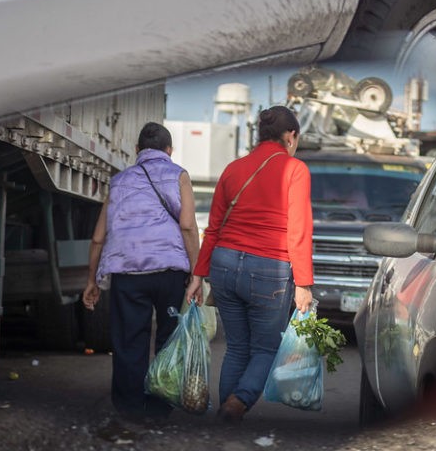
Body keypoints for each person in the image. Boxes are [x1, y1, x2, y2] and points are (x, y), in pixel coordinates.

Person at [185, 105, 314, 423]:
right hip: (268, 269)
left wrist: (197, 276)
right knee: (266, 349)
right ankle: (236, 404)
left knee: (237, 348)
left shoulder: (233, 168)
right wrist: (303, 283)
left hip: (225, 265)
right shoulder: (295, 169)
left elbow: (213, 228)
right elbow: (298, 230)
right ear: (291, 136)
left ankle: (228, 416)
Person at [83, 122, 200, 421]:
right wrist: (197, 273)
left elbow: (99, 236)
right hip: (169, 272)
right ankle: (161, 407)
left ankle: (130, 409)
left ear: (136, 150)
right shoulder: (179, 175)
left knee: (128, 340)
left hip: (127, 272)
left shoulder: (119, 181)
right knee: (168, 337)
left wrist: (92, 280)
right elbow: (187, 225)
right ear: (169, 150)